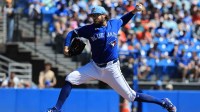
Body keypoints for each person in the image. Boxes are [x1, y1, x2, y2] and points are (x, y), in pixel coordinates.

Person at [48, 4, 177, 112]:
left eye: (96, 15)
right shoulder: (89, 29)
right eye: (92, 16)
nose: (94, 18)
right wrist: (66, 46)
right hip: (94, 67)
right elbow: (72, 33)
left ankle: (163, 102)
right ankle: (57, 108)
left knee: (131, 96)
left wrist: (134, 11)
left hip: (111, 68)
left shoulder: (114, 23)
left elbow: (124, 19)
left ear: (104, 15)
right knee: (70, 78)